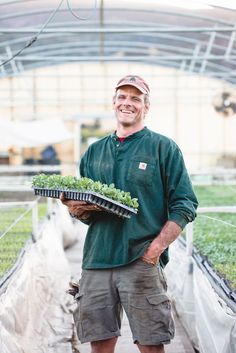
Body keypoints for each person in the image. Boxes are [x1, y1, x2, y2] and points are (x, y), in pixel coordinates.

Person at [60, 74, 198, 353]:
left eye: (136, 98)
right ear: (114, 103)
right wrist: (75, 208)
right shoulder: (94, 152)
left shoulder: (163, 148)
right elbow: (90, 214)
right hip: (97, 260)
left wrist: (155, 250)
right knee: (99, 344)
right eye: (122, 97)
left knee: (150, 344)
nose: (128, 103)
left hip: (141, 259)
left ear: (146, 107)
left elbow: (185, 204)